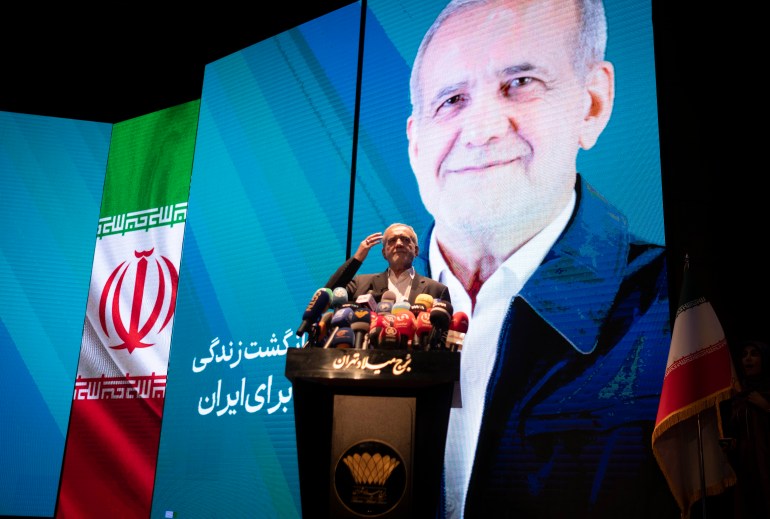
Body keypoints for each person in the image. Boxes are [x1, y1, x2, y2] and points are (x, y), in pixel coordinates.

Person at [405, 0, 673, 517]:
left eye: (520, 82)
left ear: (592, 103)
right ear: (416, 145)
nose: (481, 129)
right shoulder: (352, 315)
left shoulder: (675, 314)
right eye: (453, 99)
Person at [325, 222, 451, 304]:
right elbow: (327, 297)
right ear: (384, 253)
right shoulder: (361, 284)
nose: (399, 244)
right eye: (392, 241)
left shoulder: (437, 290)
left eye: (405, 239)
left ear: (416, 251)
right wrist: (357, 258)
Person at [721, 339, 770, 518]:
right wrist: (731, 444)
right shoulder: (738, 396)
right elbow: (736, 431)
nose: (748, 359)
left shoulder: (766, 392)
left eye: (754, 354)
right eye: (744, 355)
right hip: (745, 469)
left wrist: (766, 407)